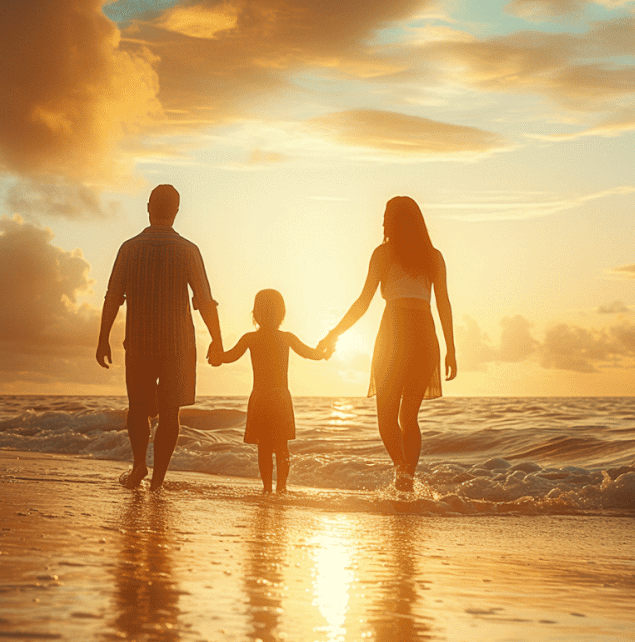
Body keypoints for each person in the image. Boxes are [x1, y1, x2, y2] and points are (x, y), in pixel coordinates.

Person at [320, 197, 456, 492]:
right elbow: (443, 304)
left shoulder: (383, 254)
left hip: (395, 332)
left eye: (386, 217)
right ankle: (406, 478)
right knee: (409, 416)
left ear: (396, 221)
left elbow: (363, 303)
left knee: (386, 417)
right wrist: (451, 350)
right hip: (424, 333)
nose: (382, 223)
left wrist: (334, 333)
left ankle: (403, 474)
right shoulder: (434, 256)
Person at [96, 184, 223, 490]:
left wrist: (103, 337)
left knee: (138, 408)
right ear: (176, 212)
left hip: (139, 343)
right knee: (170, 413)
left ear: (149, 207)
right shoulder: (188, 250)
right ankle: (158, 481)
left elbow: (113, 296)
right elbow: (204, 300)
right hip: (178, 345)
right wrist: (217, 339)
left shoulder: (129, 248)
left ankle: (139, 464)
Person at [212, 289, 330, 493]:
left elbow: (227, 357)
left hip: (260, 398)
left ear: (255, 314)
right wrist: (325, 352)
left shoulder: (249, 338)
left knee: (264, 448)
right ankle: (281, 487)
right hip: (280, 398)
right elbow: (311, 354)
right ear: (282, 313)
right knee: (281, 446)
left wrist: (215, 355)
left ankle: (267, 488)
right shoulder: (287, 338)